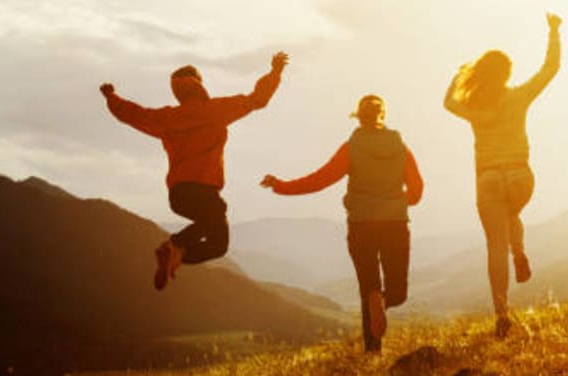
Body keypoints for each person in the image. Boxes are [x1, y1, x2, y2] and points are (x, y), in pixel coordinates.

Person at [100, 52, 289, 290]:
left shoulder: (167, 118)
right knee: (217, 226)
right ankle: (175, 245)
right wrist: (275, 73)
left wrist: (111, 97)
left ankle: (176, 255)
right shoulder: (216, 110)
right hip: (204, 190)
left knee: (218, 242)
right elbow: (256, 100)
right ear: (199, 84)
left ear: (177, 91)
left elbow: (134, 115)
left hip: (178, 196)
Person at [261, 95, 423, 353]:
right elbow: (417, 191)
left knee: (368, 287)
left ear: (358, 116)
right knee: (397, 292)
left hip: (361, 225)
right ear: (383, 115)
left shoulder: (351, 148)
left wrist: (281, 186)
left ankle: (373, 350)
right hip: (395, 223)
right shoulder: (402, 148)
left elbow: (319, 180)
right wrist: (398, 200)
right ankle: (382, 300)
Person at [443, 13, 561, 338]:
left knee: (496, 245)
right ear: (508, 73)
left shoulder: (475, 108)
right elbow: (550, 69)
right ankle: (519, 251)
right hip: (522, 177)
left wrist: (459, 75)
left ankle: (502, 314)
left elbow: (447, 102)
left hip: (489, 179)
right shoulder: (519, 97)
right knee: (512, 213)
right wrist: (553, 31)